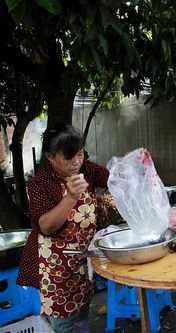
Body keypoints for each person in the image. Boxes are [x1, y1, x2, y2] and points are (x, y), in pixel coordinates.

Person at [17, 124, 109, 333]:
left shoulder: (87, 169)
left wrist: (129, 168)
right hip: (54, 268)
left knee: (82, 314)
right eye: (69, 158)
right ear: (50, 157)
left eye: (80, 154)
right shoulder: (40, 184)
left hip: (81, 262)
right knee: (63, 324)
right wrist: (70, 198)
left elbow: (113, 179)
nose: (77, 162)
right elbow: (46, 226)